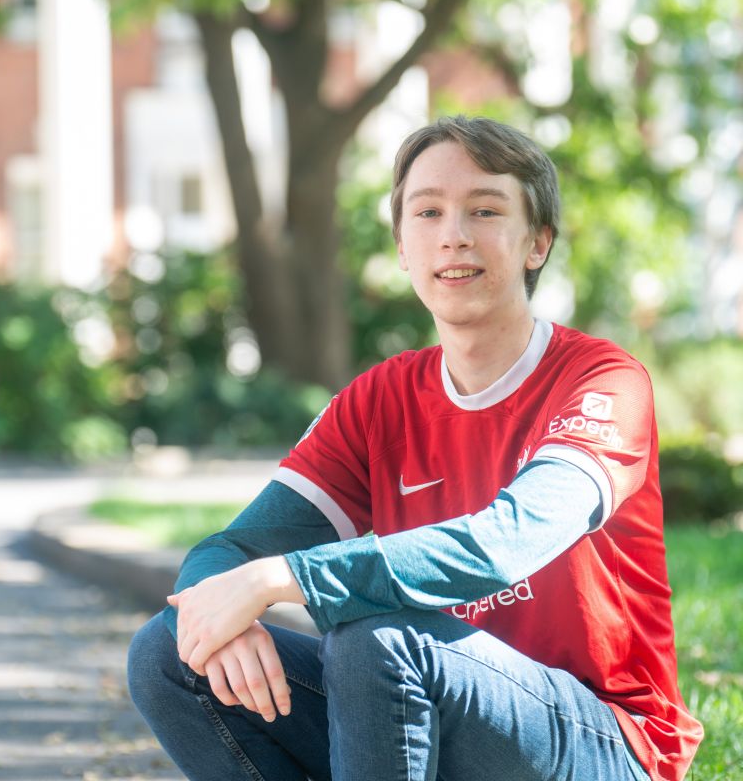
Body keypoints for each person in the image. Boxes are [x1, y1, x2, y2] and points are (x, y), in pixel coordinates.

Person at [127, 115, 703, 781]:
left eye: (484, 210)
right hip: (424, 700)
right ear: (403, 245)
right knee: (170, 651)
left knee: (379, 638)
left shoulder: (602, 380)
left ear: (536, 243)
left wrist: (279, 581)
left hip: (602, 739)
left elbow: (503, 544)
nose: (453, 235)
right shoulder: (379, 401)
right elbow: (227, 553)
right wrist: (217, 613)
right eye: (427, 212)